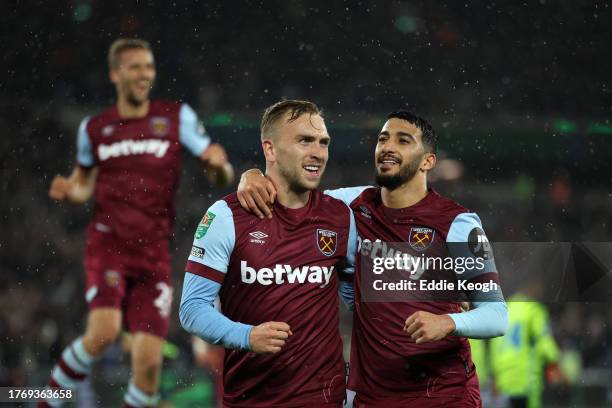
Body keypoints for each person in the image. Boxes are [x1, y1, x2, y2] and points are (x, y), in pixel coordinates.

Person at [238, 110, 508, 407]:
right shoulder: (351, 205)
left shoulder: (459, 224)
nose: (388, 147)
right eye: (383, 139)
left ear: (428, 162)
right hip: (373, 397)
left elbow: (496, 316)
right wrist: (252, 176)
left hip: (443, 395)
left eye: (403, 140)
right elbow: (290, 194)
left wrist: (447, 322)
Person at [42, 38, 233, 408]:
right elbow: (84, 185)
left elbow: (219, 174)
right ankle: (43, 401)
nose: (145, 74)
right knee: (103, 332)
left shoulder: (177, 118)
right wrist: (70, 189)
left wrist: (219, 167)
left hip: (154, 252)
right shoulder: (94, 129)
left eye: (149, 66)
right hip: (109, 245)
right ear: (115, 74)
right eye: (135, 67)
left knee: (147, 366)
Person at [179, 99, 357, 407]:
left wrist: (440, 297)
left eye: (323, 142)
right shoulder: (226, 216)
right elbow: (192, 309)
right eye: (304, 140)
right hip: (251, 398)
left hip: (325, 399)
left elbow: (362, 295)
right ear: (270, 149)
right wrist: (246, 336)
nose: (318, 152)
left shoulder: (340, 215)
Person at [489, 291, 564, 408]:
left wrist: (495, 376)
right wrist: (555, 361)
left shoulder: (503, 312)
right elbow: (544, 341)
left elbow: (494, 347)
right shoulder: (532, 310)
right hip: (526, 379)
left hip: (504, 381)